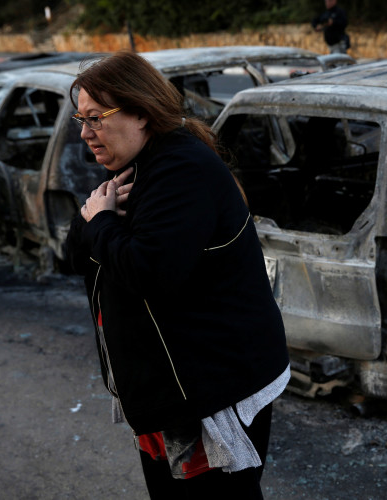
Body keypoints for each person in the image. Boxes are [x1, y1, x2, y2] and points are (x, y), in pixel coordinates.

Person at [64, 50, 290, 499]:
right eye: (80, 119)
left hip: (208, 390)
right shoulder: (132, 168)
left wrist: (102, 223)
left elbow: (150, 272)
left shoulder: (181, 172)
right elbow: (76, 253)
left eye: (96, 118)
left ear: (142, 113)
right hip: (165, 389)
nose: (85, 133)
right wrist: (97, 221)